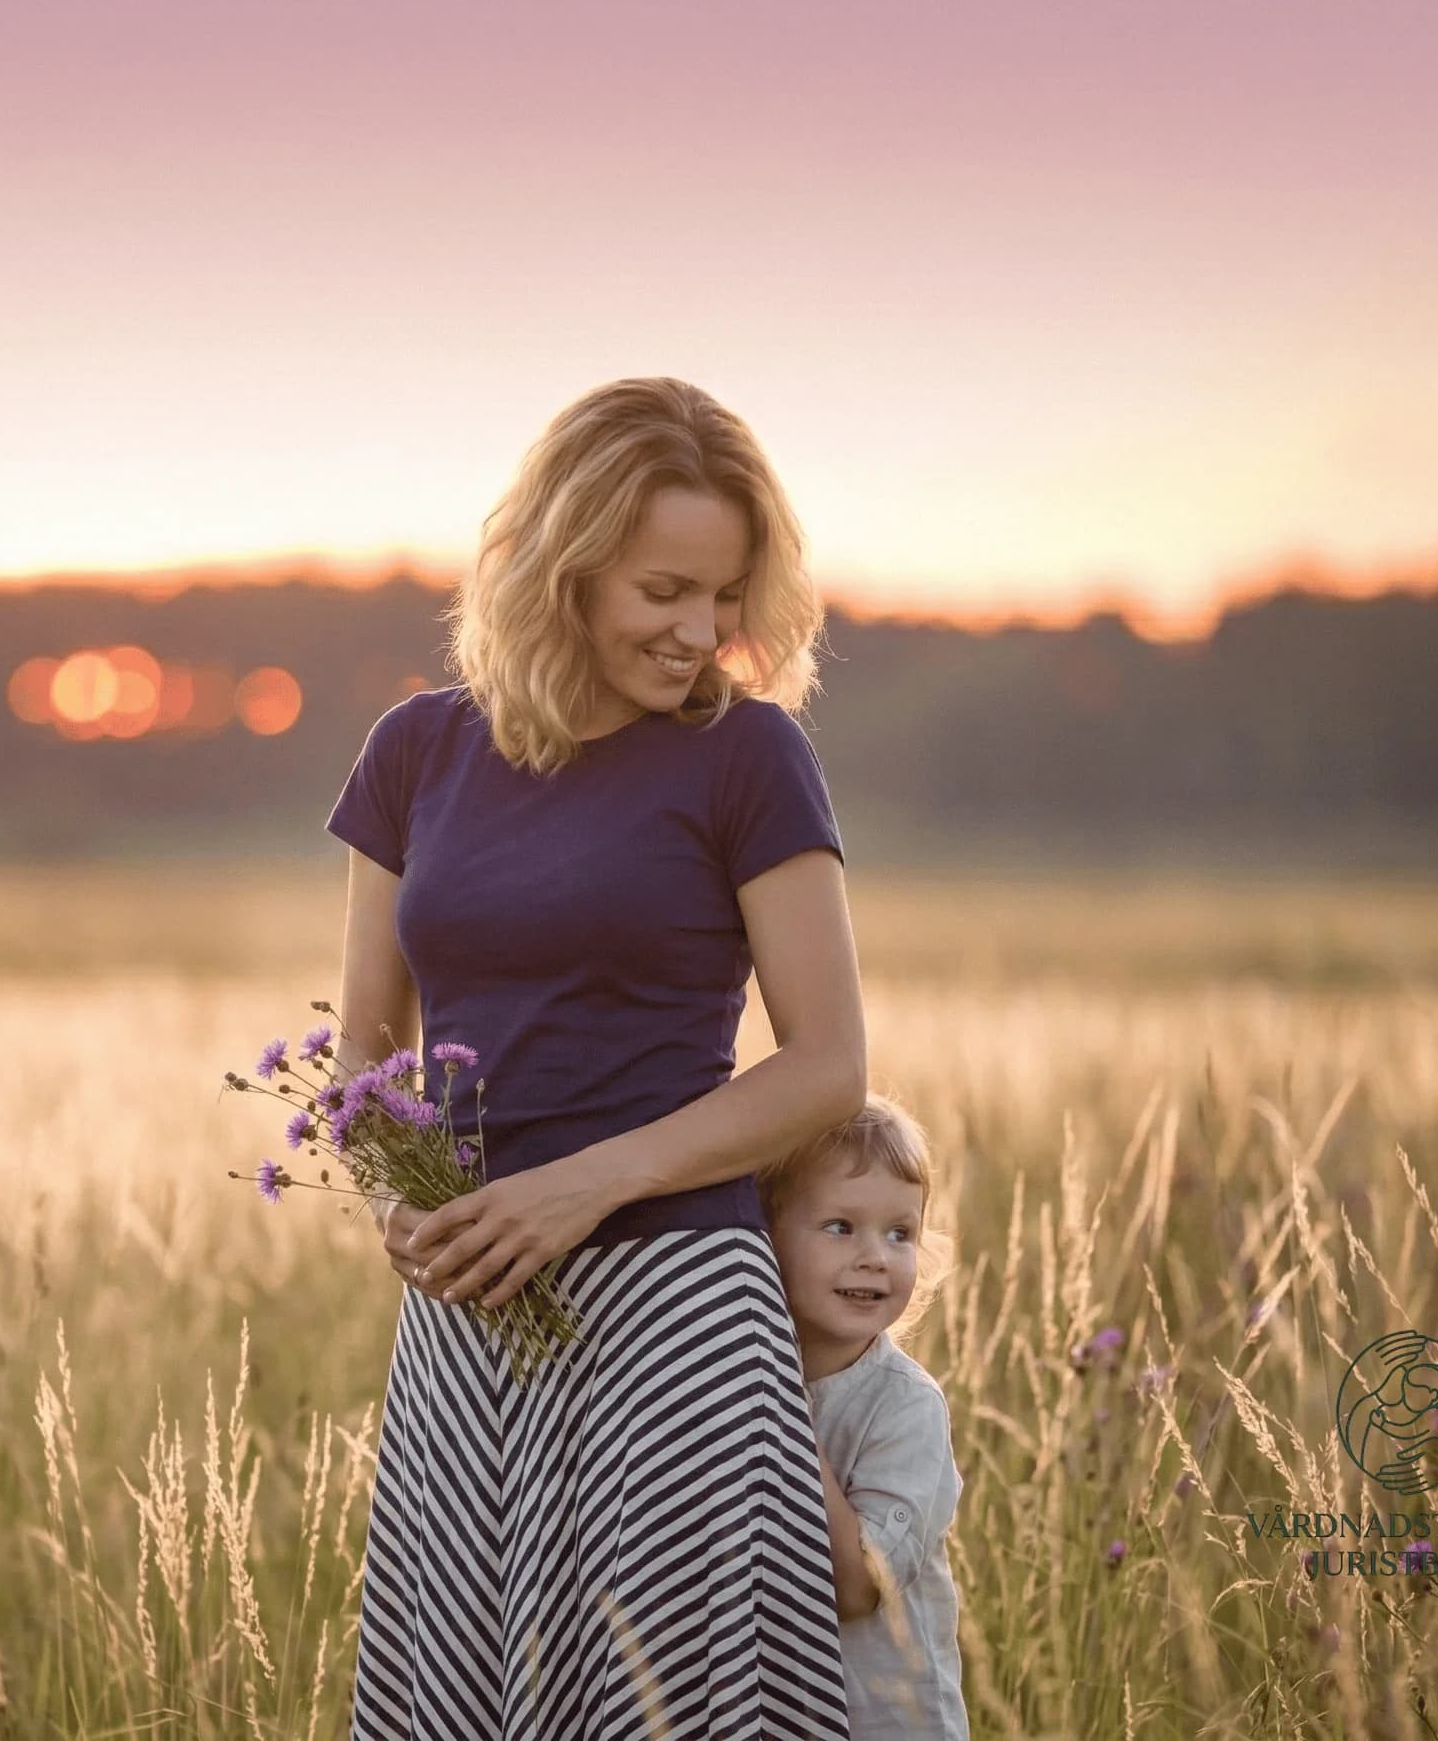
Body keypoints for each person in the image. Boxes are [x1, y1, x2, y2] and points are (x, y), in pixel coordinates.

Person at [326, 375, 869, 1737]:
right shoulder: (415, 752)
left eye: (726, 596)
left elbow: (825, 1068)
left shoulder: (750, 760)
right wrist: (406, 1204)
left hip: (679, 1315)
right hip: (471, 1323)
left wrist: (585, 1187)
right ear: (563, 571)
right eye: (664, 591)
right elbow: (364, 1063)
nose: (703, 633)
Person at [758, 1093, 969, 1739]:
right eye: (840, 1227)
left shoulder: (905, 1408)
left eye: (899, 1233)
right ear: (767, 1239)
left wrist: (779, 1410)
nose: (875, 1256)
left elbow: (858, 1590)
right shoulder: (747, 1378)